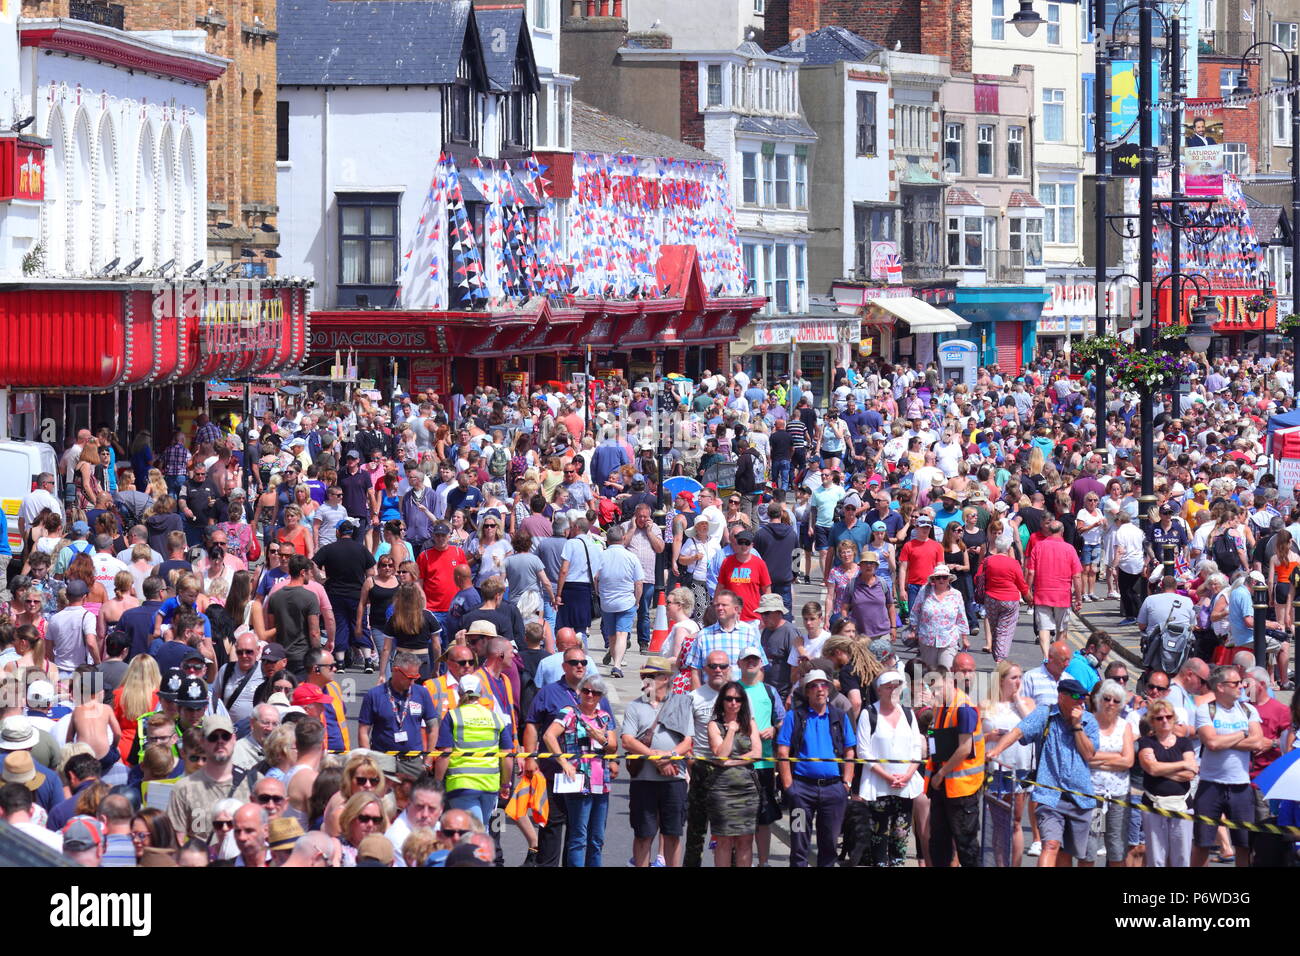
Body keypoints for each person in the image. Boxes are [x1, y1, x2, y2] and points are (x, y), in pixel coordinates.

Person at [987, 677, 1099, 867]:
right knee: (1051, 845)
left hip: (1081, 797)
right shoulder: (1045, 714)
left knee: (1077, 855)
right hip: (1050, 795)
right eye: (1076, 696)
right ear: (1062, 696)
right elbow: (1018, 731)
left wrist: (1076, 725)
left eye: (1083, 697)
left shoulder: (1089, 721)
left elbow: (1089, 754)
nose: (1081, 701)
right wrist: (996, 750)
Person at [775, 668, 857, 867]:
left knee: (829, 844)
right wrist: (789, 787)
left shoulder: (839, 716)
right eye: (814, 686)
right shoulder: (794, 716)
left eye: (823, 685)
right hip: (802, 790)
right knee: (799, 843)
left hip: (833, 790)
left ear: (828, 689)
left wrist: (846, 784)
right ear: (807, 691)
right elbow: (783, 753)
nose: (819, 689)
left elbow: (849, 752)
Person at [620, 656, 694, 867]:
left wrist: (669, 756)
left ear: (664, 678)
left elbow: (688, 741)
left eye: (650, 676)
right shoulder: (635, 706)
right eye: (644, 676)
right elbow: (627, 740)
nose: (645, 680)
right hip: (644, 780)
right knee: (643, 834)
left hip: (674, 779)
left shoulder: (682, 703)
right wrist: (656, 758)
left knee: (672, 834)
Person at [1190, 664, 1265, 867]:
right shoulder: (1206, 710)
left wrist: (1225, 740)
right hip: (1210, 785)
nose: (1241, 686)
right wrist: (1243, 734)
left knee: (1244, 844)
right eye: (1236, 683)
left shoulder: (1248, 710)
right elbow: (1211, 743)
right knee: (1202, 843)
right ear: (1221, 687)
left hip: (1241, 787)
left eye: (1240, 682)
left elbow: (1258, 741)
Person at [542, 673, 618, 868]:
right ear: (580, 692)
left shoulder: (604, 717)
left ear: (601, 696)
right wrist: (564, 762)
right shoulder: (569, 712)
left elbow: (613, 747)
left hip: (601, 782)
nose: (590, 695)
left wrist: (600, 738)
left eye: (595, 692)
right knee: (578, 836)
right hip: (578, 781)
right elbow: (549, 736)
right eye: (586, 691)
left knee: (597, 838)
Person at [434, 673, 513, 828]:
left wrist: (437, 783)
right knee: (482, 831)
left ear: (459, 693)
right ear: (481, 693)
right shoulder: (495, 717)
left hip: (462, 784)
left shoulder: (453, 716)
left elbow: (445, 754)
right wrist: (505, 783)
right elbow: (507, 756)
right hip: (489, 785)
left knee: (475, 834)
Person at [980, 660, 1037, 866]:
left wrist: (1018, 699)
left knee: (1015, 822)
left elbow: (1032, 726)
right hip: (995, 768)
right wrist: (990, 737)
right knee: (998, 824)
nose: (1018, 681)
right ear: (1001, 680)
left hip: (1018, 768)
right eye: (1014, 677)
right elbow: (975, 738)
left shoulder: (1028, 703)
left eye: (1020, 677)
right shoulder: (987, 704)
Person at [166, 714, 253, 842]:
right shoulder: (183, 788)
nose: (220, 742)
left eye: (225, 736)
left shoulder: (253, 781)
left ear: (234, 739)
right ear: (203, 742)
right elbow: (176, 840)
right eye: (213, 737)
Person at [705, 680, 761, 868]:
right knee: (724, 841)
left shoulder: (750, 723)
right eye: (729, 699)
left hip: (747, 789)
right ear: (722, 701)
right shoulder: (714, 725)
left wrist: (732, 762)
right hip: (722, 790)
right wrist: (731, 731)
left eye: (738, 699)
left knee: (745, 840)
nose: (733, 703)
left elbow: (756, 754)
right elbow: (720, 754)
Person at [1137, 698, 1197, 867]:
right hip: (1153, 804)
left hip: (1182, 805)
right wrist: (1182, 764)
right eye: (1159, 718)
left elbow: (1190, 773)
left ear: (1174, 718)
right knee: (1156, 858)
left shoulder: (1184, 742)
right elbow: (1151, 769)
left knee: (1182, 858)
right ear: (1152, 722)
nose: (1164, 721)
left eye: (1168, 717)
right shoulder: (1146, 742)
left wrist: (1160, 770)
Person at [1081, 679, 1134, 868]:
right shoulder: (1088, 723)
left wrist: (1098, 759)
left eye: (1116, 700)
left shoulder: (1124, 726)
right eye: (1107, 698)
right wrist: (1115, 758)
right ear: (1098, 699)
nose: (1111, 703)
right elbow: (1086, 756)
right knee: (1090, 846)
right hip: (1094, 793)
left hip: (1117, 795)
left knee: (1116, 846)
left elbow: (1128, 760)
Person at [358, 650, 436, 754]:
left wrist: (429, 758)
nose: (413, 682)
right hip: (383, 758)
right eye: (409, 678)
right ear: (395, 671)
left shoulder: (422, 693)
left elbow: (433, 726)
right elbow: (363, 731)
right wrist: (368, 759)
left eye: (416, 678)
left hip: (413, 760)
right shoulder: (374, 695)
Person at [1025, 521, 1083, 657]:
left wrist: (1028, 592)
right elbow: (1077, 576)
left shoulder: (1038, 547)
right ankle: (1056, 659)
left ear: (1049, 531)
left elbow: (1031, 572)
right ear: (1062, 532)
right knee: (1061, 630)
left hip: (1042, 594)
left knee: (1043, 629)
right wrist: (1079, 597)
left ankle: (1046, 657)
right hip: (1062, 595)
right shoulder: (1069, 549)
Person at [595, 524, 643, 679]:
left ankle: (615, 659)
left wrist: (599, 593)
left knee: (612, 635)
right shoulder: (631, 557)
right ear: (623, 538)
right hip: (626, 600)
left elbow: (596, 578)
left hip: (607, 601)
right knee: (622, 633)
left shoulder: (601, 556)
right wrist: (637, 600)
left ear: (607, 540)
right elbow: (639, 583)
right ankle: (617, 665)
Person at [908, 564, 968, 668]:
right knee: (929, 673)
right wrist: (913, 630)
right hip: (927, 639)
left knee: (946, 672)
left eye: (944, 577)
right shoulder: (925, 591)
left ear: (949, 579)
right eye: (938, 577)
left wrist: (964, 638)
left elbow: (961, 617)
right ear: (933, 579)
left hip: (949, 639)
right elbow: (915, 611)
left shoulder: (956, 594)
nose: (941, 580)